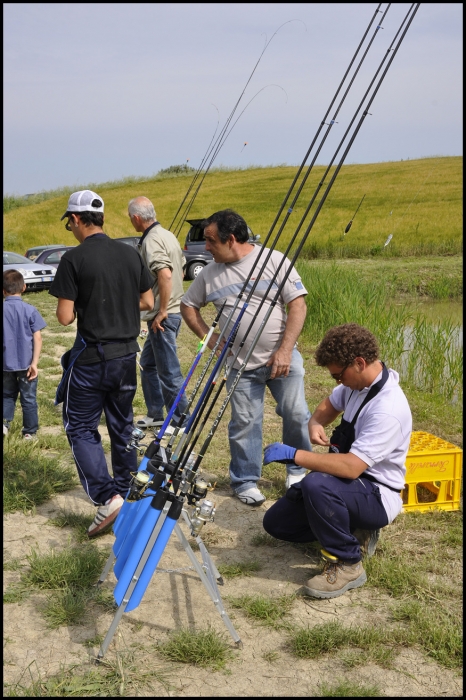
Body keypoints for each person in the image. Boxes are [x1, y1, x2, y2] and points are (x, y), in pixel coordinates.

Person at [262, 323, 412, 599]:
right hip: (346, 484)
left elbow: (351, 467)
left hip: (377, 494)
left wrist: (295, 454)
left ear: (359, 363)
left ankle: (348, 563)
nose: (337, 382)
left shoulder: (388, 409)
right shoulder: (357, 385)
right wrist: (315, 421)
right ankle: (350, 528)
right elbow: (331, 403)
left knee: (317, 485)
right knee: (276, 523)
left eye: (337, 376)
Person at [180, 209, 311, 506]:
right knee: (245, 422)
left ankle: (297, 468)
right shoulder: (210, 274)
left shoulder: (275, 260)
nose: (207, 248)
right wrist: (209, 339)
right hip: (239, 365)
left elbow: (298, 305)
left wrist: (285, 350)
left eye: (212, 241)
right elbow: (188, 306)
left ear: (233, 239)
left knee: (296, 412)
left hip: (282, 359)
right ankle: (245, 479)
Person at [49, 190, 154, 537]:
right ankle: (127, 493)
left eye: (70, 223)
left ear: (76, 220)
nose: (71, 228)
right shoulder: (130, 253)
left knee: (79, 427)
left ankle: (107, 497)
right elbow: (147, 300)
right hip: (127, 356)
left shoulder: (73, 259)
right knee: (122, 425)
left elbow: (65, 317)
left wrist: (90, 304)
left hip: (93, 358)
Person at [128, 196, 190, 431]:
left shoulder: (152, 240)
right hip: (171, 310)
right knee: (149, 365)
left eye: (130, 219)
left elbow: (164, 274)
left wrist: (162, 309)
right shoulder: (167, 234)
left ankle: (182, 420)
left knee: (169, 371)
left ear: (136, 218)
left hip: (163, 316)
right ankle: (155, 413)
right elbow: (180, 271)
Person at [3, 270, 47, 439]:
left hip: (5, 364)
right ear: (24, 287)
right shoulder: (30, 310)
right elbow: (38, 337)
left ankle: (4, 424)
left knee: (6, 394)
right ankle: (29, 432)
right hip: (27, 364)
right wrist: (35, 362)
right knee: (28, 398)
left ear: (3, 290)